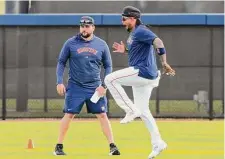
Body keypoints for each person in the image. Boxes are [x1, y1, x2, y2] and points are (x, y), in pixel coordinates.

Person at [104, 6, 175, 159]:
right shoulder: (135, 33)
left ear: (133, 18)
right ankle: (158, 143)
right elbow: (141, 50)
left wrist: (164, 62)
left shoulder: (141, 30)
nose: (122, 22)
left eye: (124, 19)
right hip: (146, 76)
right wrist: (126, 51)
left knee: (109, 79)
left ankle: (129, 110)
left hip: (142, 71)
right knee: (143, 111)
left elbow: (158, 41)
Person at [54, 16, 120, 156]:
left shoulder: (101, 44)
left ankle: (112, 146)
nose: (84, 28)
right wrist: (59, 81)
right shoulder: (70, 43)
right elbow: (61, 62)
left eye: (87, 26)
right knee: (69, 114)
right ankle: (58, 146)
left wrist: (104, 85)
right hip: (75, 86)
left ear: (93, 28)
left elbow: (108, 66)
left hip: (95, 87)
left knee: (102, 115)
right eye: (82, 26)